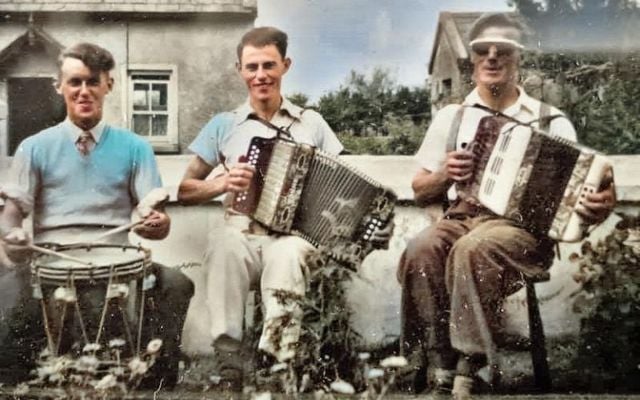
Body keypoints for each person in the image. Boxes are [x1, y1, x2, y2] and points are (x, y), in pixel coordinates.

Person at [397, 13, 616, 399]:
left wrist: (601, 201)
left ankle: (470, 369)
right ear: (473, 58)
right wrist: (445, 174)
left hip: (523, 232)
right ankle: (438, 366)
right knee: (422, 248)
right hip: (462, 217)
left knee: (473, 248)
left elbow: (588, 189)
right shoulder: (452, 117)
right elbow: (419, 190)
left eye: (504, 51)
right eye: (483, 50)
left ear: (520, 59)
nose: (492, 58)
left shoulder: (551, 121)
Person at [0, 42, 194, 388]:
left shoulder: (136, 147)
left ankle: (154, 388)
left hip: (118, 261)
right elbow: (11, 213)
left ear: (109, 84)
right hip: (50, 262)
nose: (84, 91)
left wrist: (157, 223)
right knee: (5, 295)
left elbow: (155, 217)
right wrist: (13, 235)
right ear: (59, 86)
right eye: (75, 82)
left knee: (176, 284)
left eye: (92, 81)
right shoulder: (34, 147)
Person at [178, 26, 350, 390]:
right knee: (224, 245)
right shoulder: (224, 125)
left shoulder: (311, 122)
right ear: (239, 69)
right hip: (242, 232)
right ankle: (229, 363)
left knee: (288, 256)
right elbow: (184, 189)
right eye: (252, 67)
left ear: (285, 65)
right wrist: (220, 183)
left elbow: (344, 183)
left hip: (294, 236)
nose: (261, 76)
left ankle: (277, 363)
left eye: (269, 65)